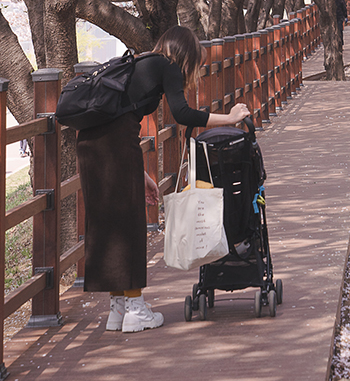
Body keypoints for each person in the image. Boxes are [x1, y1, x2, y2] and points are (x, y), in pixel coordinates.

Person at [76, 26, 250, 334]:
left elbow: (114, 120)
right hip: (117, 147)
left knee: (108, 223)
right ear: (186, 54)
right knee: (129, 224)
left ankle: (118, 308)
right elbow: (182, 113)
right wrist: (230, 118)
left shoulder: (142, 62)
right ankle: (134, 308)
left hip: (91, 147)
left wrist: (141, 174)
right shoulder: (167, 64)